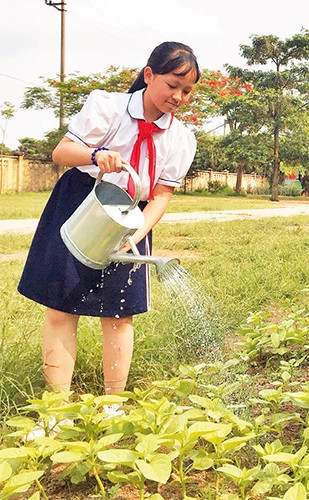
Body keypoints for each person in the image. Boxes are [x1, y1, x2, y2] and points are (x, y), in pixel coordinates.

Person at [18, 42, 200, 414]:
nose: (178, 97)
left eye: (187, 91)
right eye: (172, 85)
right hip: (82, 202)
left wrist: (136, 234)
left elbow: (162, 194)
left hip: (132, 215)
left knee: (118, 314)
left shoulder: (181, 138)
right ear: (148, 75)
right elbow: (61, 153)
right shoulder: (108, 106)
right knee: (60, 309)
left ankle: (112, 405)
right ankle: (57, 411)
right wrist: (96, 155)